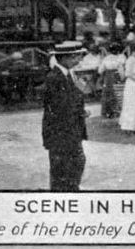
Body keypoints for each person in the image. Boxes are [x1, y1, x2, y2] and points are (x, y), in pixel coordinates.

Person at [42, 41, 88, 191]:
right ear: (65, 58)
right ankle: (64, 194)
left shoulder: (67, 74)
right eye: (76, 57)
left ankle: (70, 189)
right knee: (63, 166)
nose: (79, 60)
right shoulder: (55, 77)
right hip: (61, 131)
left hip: (70, 130)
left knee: (74, 162)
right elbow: (60, 106)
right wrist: (79, 95)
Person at [98, 43, 124, 119]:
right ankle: (115, 111)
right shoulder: (120, 59)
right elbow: (121, 70)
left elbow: (100, 70)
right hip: (116, 76)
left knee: (106, 94)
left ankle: (105, 112)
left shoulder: (106, 59)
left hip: (108, 77)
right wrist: (122, 78)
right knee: (116, 93)